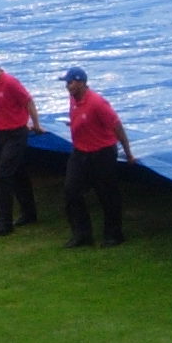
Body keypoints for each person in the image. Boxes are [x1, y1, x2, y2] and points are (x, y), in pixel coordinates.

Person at [60, 68, 130, 248]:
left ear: (81, 82)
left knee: (107, 194)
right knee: (71, 190)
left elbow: (117, 126)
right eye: (67, 83)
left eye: (71, 82)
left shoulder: (97, 103)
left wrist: (127, 152)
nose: (68, 86)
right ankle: (81, 234)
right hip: (80, 152)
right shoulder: (74, 99)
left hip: (101, 153)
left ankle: (114, 234)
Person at [0, 55, 41, 234]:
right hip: (2, 134)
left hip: (16, 134)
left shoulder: (10, 83)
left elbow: (28, 101)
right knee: (18, 173)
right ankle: (29, 212)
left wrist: (35, 124)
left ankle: (4, 223)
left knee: (3, 178)